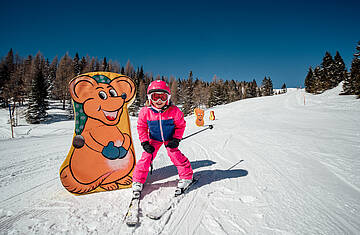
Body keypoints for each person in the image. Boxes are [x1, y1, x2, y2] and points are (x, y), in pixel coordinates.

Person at [132, 80, 193, 196]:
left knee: (175, 155)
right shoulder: (145, 112)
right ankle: (138, 180)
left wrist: (176, 139)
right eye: (155, 97)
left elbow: (181, 125)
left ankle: (187, 177)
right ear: (149, 98)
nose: (159, 101)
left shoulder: (174, 111)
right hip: (154, 138)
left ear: (168, 98)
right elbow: (141, 127)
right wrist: (145, 142)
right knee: (146, 156)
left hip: (169, 138)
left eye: (163, 97)